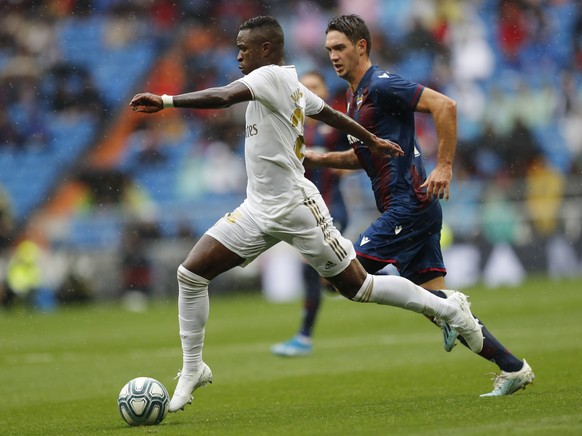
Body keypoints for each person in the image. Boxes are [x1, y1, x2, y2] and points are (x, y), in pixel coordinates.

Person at [130, 15, 484, 413]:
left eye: (243, 49)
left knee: (359, 287)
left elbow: (225, 97)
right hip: (258, 208)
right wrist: (370, 139)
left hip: (298, 207)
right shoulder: (288, 84)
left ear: (266, 50)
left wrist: (166, 101)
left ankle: (446, 307)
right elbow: (328, 114)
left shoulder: (267, 77)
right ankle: (193, 368)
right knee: (191, 273)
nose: (237, 56)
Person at [305, 14, 533, 397]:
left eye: (340, 48)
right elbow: (364, 156)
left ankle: (448, 304)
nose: (333, 56)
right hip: (411, 209)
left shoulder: (381, 85)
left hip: (408, 206)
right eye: (329, 49)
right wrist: (318, 158)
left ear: (362, 46)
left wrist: (444, 165)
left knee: (337, 278)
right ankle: (514, 367)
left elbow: (445, 106)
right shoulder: (355, 95)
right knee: (443, 313)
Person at [271, 71, 350, 357]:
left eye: (314, 86)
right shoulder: (291, 127)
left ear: (325, 91)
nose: (308, 90)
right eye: (303, 87)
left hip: (333, 207)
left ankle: (304, 336)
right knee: (324, 274)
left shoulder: (336, 125)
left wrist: (345, 164)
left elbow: (363, 153)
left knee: (312, 267)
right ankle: (346, 278)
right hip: (304, 210)